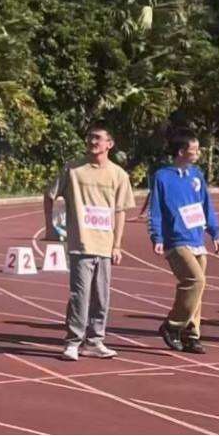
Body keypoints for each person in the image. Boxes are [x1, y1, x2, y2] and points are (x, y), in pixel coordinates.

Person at [48, 123, 134, 362]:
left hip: (105, 245)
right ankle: (73, 342)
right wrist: (50, 227)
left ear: (109, 144)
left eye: (97, 138)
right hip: (81, 243)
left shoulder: (118, 174)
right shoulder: (73, 169)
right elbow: (50, 194)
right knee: (80, 294)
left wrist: (117, 245)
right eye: (89, 138)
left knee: (101, 296)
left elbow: (120, 211)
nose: (92, 141)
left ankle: (95, 341)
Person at [148, 129, 219, 355]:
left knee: (198, 289)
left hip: (196, 237)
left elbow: (206, 204)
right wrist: (157, 236)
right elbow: (156, 209)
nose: (198, 153)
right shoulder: (162, 176)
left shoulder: (196, 175)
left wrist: (215, 232)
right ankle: (172, 325)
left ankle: (192, 334)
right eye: (194, 150)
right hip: (176, 239)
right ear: (181, 152)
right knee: (194, 280)